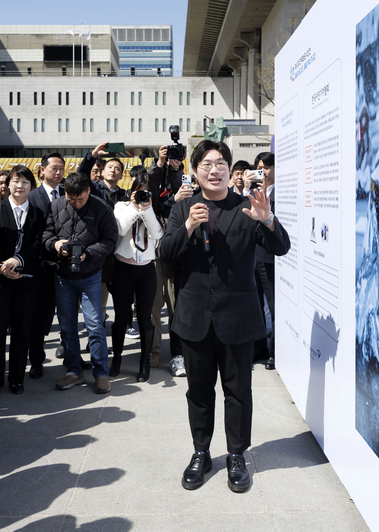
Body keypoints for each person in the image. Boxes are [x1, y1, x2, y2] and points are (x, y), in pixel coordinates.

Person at [158, 140, 290, 493]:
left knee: (238, 391)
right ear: (195, 170)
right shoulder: (182, 208)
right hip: (195, 317)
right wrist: (188, 226)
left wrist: (269, 219)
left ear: (231, 171)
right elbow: (166, 253)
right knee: (199, 392)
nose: (213, 170)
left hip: (237, 317)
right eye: (206, 164)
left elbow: (281, 247)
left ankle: (236, 455)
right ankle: (201, 453)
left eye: (220, 164)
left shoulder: (248, 207)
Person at [42, 172, 117, 394]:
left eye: (80, 199)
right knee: (67, 326)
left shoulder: (102, 208)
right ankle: (73, 370)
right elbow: (46, 233)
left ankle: (101, 373)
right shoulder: (56, 205)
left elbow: (109, 240)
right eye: (71, 199)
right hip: (62, 275)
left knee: (94, 326)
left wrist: (88, 254)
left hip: (90, 275)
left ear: (88, 191)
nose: (75, 203)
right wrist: (56, 245)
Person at [0, 166, 45, 395]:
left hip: (26, 280)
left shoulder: (37, 213)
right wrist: (2, 267)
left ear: (32, 186)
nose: (20, 186)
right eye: (16, 181)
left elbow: (37, 243)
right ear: (7, 184)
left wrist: (18, 260)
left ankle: (17, 379)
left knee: (22, 330)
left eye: (25, 182)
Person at [110, 172, 164, 381]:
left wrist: (147, 209)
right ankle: (116, 359)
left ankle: (145, 362)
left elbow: (157, 234)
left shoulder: (155, 210)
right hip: (122, 268)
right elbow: (121, 229)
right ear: (132, 191)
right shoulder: (121, 207)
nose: (143, 196)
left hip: (146, 270)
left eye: (147, 193)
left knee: (144, 317)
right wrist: (134, 207)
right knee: (121, 317)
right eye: (139, 192)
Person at [148, 145, 187, 376]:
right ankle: (153, 350)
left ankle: (177, 354)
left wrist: (175, 169)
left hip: (174, 254)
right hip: (153, 254)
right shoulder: (153, 187)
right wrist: (160, 164)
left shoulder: (183, 181)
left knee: (176, 306)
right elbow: (154, 191)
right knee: (154, 307)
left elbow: (179, 204)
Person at [26, 153, 66, 371]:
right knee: (39, 317)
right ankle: (36, 361)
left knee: (68, 315)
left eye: (61, 168)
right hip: (40, 267)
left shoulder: (68, 194)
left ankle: (72, 357)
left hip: (66, 266)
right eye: (54, 168)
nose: (58, 172)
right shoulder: (32, 196)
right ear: (42, 170)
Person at [251, 152, 277, 370]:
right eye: (260, 168)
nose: (264, 172)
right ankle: (259, 347)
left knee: (274, 307)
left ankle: (274, 352)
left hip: (271, 258)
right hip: (253, 258)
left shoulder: (282, 192)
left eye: (267, 167)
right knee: (256, 306)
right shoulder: (253, 192)